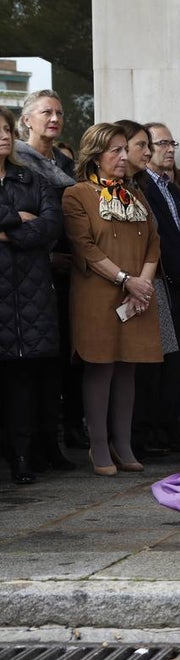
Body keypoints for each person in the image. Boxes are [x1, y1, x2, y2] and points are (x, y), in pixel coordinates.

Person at [61, 122, 161, 475]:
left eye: (124, 150)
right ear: (95, 155)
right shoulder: (77, 195)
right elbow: (85, 248)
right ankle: (99, 447)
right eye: (114, 150)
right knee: (100, 367)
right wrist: (125, 280)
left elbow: (154, 243)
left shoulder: (136, 194)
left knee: (127, 369)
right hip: (98, 293)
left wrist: (143, 284)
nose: (123, 157)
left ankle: (123, 444)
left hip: (137, 295)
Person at [16, 89, 83, 460]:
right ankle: (35, 445)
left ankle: (62, 436)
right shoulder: (17, 161)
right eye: (46, 112)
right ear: (27, 120)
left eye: (59, 112)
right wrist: (46, 251)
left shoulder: (65, 163)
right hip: (31, 273)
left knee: (66, 358)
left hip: (71, 272)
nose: (55, 118)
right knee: (35, 365)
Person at [0, 106, 64, 483]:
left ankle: (23, 457)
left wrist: (6, 233)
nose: (4, 136)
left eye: (7, 130)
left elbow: (51, 226)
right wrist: (18, 219)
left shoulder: (31, 179)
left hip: (30, 293)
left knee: (23, 382)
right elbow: (31, 225)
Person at [132, 121, 180, 455]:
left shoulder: (173, 189)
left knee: (176, 364)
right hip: (159, 284)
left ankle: (171, 428)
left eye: (172, 143)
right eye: (161, 144)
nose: (169, 149)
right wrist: (178, 272)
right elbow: (155, 242)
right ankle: (151, 433)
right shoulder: (140, 187)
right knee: (153, 368)